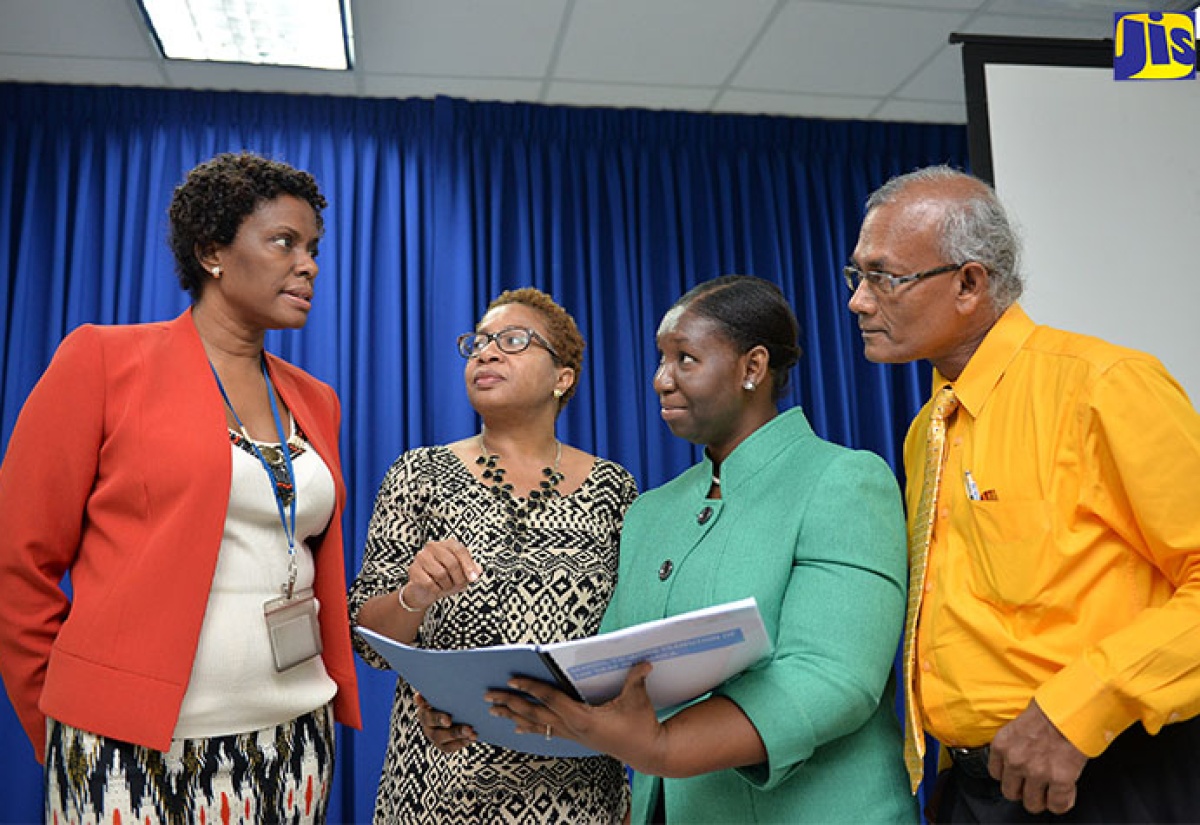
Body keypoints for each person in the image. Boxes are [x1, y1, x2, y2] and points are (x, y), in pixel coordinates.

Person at [0, 151, 361, 823]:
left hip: (295, 740)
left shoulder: (316, 400)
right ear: (212, 252)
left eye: (313, 246)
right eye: (284, 241)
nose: (309, 263)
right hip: (129, 747)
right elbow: (17, 562)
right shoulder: (103, 362)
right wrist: (65, 718)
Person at [487, 275, 918, 823]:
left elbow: (835, 679)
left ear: (752, 368)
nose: (660, 380)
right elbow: (605, 683)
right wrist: (487, 714)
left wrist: (665, 749)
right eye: (661, 359)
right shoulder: (651, 512)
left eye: (685, 359)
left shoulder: (843, 479)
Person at [845, 164, 1200, 822]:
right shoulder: (929, 427)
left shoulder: (1103, 385)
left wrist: (1080, 706)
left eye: (884, 277)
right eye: (856, 277)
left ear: (969, 284)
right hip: (976, 790)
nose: (859, 301)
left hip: (1105, 775)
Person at [349, 287, 638, 823]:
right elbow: (368, 641)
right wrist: (415, 595)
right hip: (441, 787)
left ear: (563, 377)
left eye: (513, 341)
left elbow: (630, 642)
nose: (485, 353)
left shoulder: (614, 489)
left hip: (578, 794)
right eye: (478, 343)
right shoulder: (418, 474)